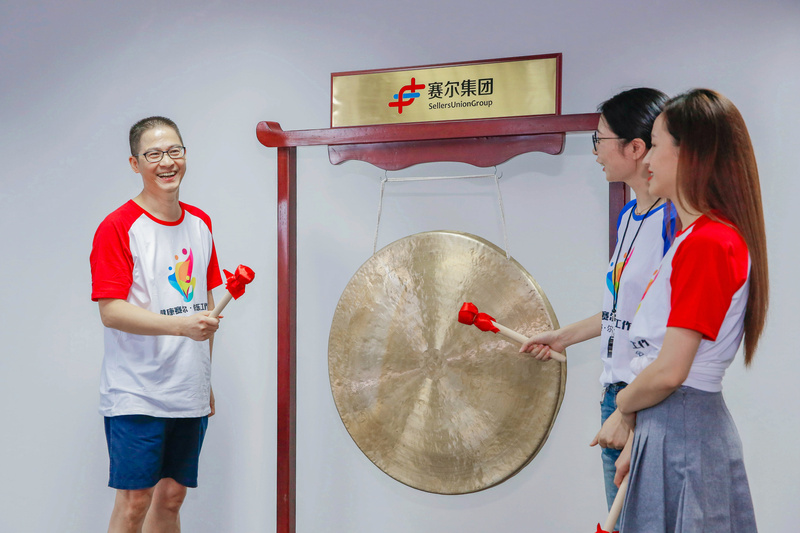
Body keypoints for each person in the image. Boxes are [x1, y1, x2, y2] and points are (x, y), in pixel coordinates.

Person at [610, 88, 767, 531]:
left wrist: (623, 405)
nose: (647, 160)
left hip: (682, 428)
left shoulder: (708, 242)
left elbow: (670, 371)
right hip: (674, 426)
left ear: (690, 154)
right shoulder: (694, 238)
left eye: (656, 145)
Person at [520, 88, 676, 513]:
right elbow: (623, 311)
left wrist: (630, 412)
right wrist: (563, 337)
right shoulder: (628, 217)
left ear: (636, 148)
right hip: (616, 394)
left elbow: (670, 333)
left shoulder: (674, 223)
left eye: (599, 140)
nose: (595, 152)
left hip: (646, 401)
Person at [90, 116, 223, 532]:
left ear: (185, 154)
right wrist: (181, 327)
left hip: (188, 387)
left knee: (171, 498)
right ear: (135, 163)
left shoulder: (200, 223)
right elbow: (111, 311)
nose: (167, 162)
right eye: (154, 154)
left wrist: (205, 379)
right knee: (135, 502)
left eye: (174, 151)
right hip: (137, 390)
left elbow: (204, 308)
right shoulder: (118, 226)